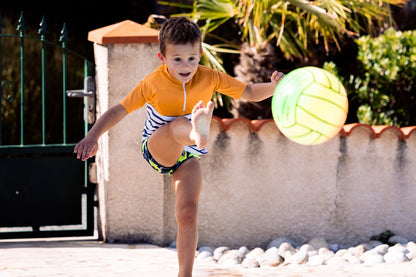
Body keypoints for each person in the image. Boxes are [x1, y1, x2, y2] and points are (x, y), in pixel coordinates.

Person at [74, 16, 285, 277]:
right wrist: (92, 136)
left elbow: (250, 92)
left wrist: (276, 87)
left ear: (200, 55)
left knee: (187, 212)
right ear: (162, 57)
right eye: (177, 59)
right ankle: (198, 132)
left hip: (188, 154)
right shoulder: (153, 83)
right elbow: (119, 110)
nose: (186, 66)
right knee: (176, 127)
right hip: (157, 146)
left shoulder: (210, 77)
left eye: (192, 58)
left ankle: (184, 275)